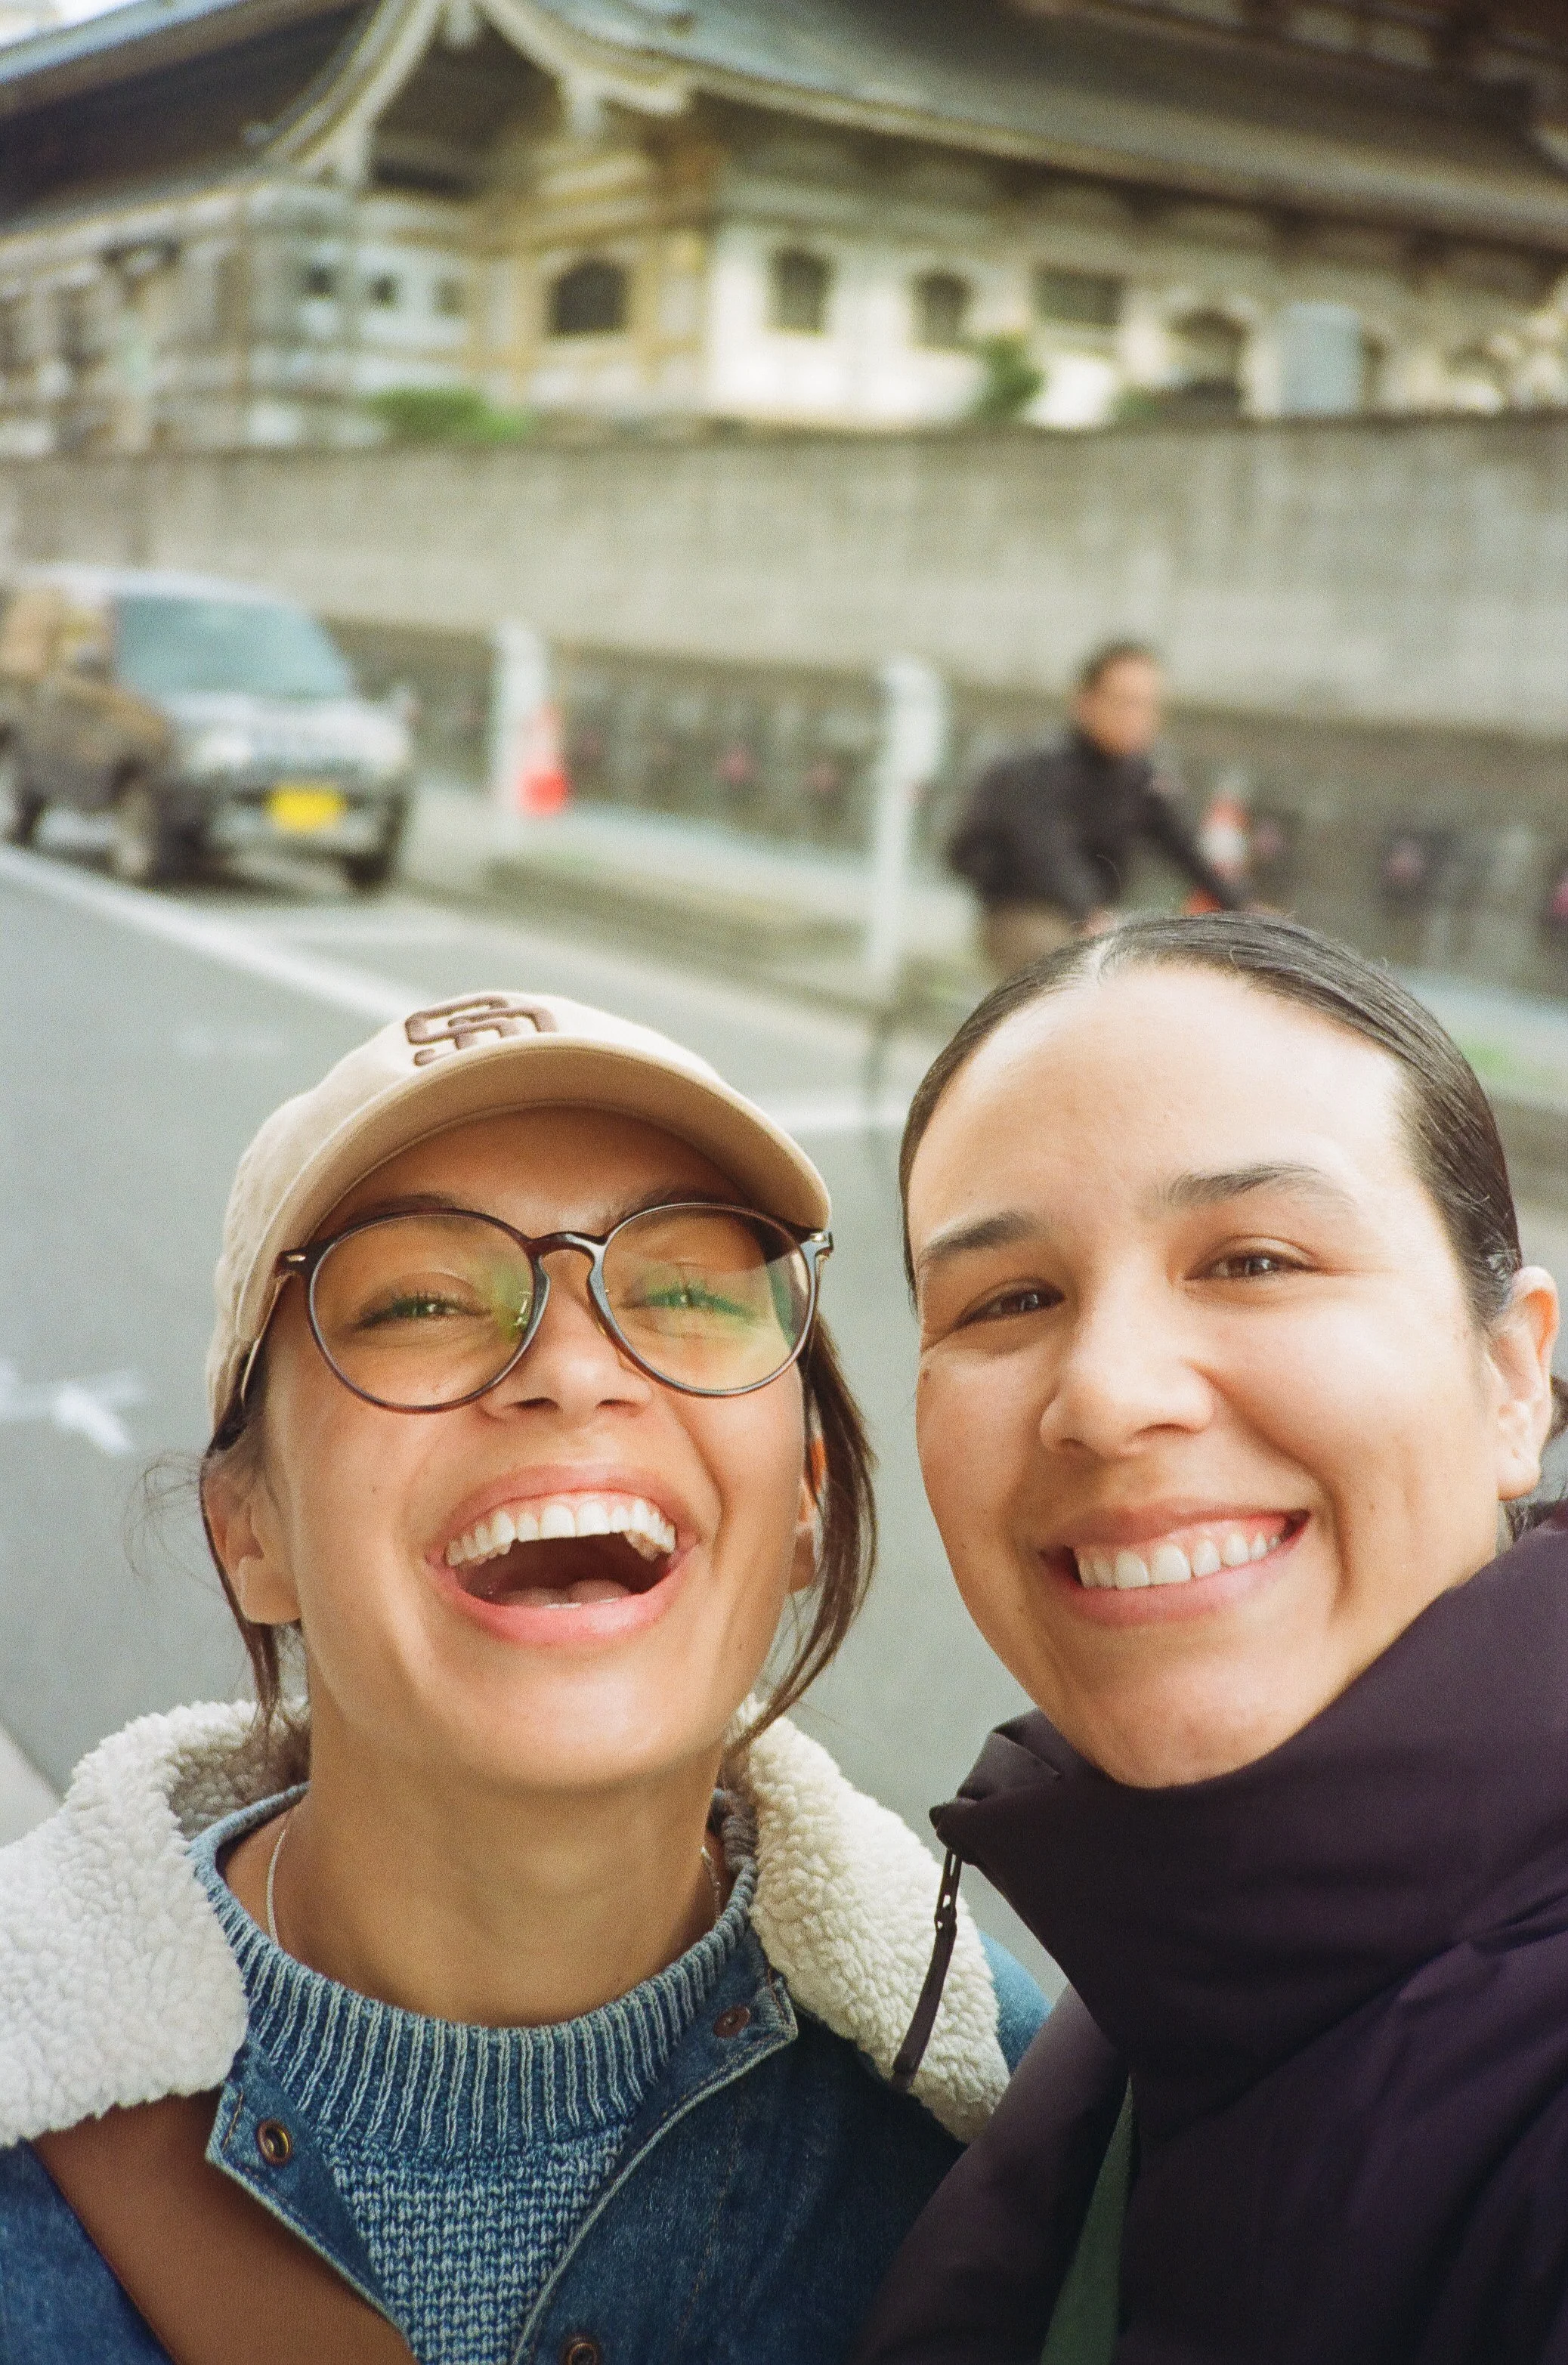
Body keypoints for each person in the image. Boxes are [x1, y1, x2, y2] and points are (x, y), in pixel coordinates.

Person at [0, 988, 1043, 2365]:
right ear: (249, 1537)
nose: (570, 1367)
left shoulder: (1022, 2134)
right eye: (422, 1301)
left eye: (681, 1289)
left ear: (804, 1499)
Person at [857, 915, 1568, 2365]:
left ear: (1512, 1379)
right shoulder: (1169, 1961)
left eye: (1252, 1259)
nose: (1108, 1396)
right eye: (1010, 1300)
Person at [948, 642, 1244, 978]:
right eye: (1125, 702)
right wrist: (1089, 912)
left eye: (1148, 705)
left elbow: (1186, 848)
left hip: (1096, 917)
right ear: (1085, 702)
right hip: (1025, 912)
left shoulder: (1142, 779)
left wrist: (1244, 908)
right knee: (1070, 970)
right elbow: (1046, 850)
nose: (1137, 717)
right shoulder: (1036, 769)